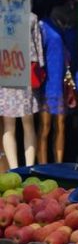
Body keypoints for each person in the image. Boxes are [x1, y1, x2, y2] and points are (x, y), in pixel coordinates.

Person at [0, 12, 43, 167]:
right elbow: (38, 51)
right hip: (24, 73)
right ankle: (28, 167)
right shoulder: (31, 17)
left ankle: (15, 168)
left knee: (9, 125)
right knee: (28, 124)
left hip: (7, 73)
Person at [37, 2, 76, 164]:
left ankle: (58, 164)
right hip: (47, 83)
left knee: (61, 125)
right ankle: (42, 165)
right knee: (45, 127)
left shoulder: (70, 29)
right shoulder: (44, 27)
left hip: (63, 83)